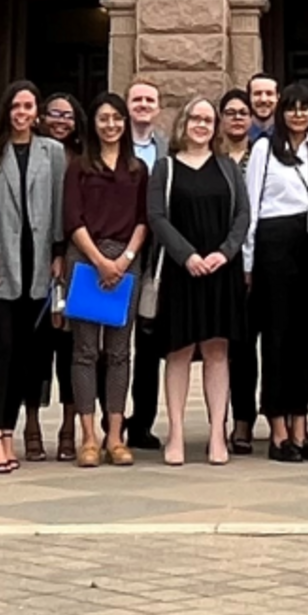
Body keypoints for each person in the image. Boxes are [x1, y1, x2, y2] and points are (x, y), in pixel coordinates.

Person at [0, 81, 66, 474]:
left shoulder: (53, 152)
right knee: (2, 350)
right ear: (6, 110)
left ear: (37, 112)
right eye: (16, 106)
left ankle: (10, 433)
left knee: (25, 356)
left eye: (29, 106)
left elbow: (60, 205)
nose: (22, 113)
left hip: (39, 266)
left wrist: (59, 255)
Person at [148, 97, 249, 466]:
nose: (202, 125)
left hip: (221, 270)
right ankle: (175, 433)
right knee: (178, 351)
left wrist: (225, 252)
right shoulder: (165, 167)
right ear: (184, 123)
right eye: (196, 118)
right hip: (182, 269)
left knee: (217, 352)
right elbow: (157, 216)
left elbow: (242, 215)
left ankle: (216, 434)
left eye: (209, 120)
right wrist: (186, 255)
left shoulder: (228, 167)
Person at [241, 82, 308, 461]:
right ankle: (278, 427)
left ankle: (301, 425)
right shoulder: (265, 148)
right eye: (291, 108)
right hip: (274, 243)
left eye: (305, 108)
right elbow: (251, 205)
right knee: (277, 338)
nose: (298, 114)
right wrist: (248, 261)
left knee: (305, 340)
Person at [63, 92, 148, 469]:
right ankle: (87, 438)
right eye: (103, 119)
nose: (111, 125)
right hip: (85, 259)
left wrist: (125, 258)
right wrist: (99, 261)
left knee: (119, 353)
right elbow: (72, 219)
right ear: (93, 124)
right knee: (83, 352)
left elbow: (145, 219)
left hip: (126, 261)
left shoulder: (137, 168)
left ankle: (115, 435)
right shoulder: (80, 166)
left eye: (117, 118)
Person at [29, 91, 85, 462]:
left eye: (68, 115)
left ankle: (69, 428)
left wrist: (65, 254)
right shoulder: (31, 153)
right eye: (55, 114)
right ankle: (31, 426)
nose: (62, 121)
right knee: (35, 348)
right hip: (36, 263)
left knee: (72, 349)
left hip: (76, 262)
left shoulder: (82, 159)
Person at [125, 79, 169, 451]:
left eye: (149, 100)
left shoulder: (168, 148)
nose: (143, 105)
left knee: (149, 345)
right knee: (110, 344)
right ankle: (108, 421)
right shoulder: (114, 145)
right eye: (136, 99)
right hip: (119, 251)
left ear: (158, 107)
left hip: (158, 257)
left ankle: (141, 422)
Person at [218, 88, 253, 167]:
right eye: (230, 113)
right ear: (221, 117)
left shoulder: (260, 155)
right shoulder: (211, 156)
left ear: (251, 118)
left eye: (243, 113)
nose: (237, 117)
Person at [246, 73, 279, 144]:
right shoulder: (240, 134)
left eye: (269, 93)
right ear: (249, 97)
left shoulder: (287, 135)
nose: (263, 99)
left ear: (278, 97)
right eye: (257, 93)